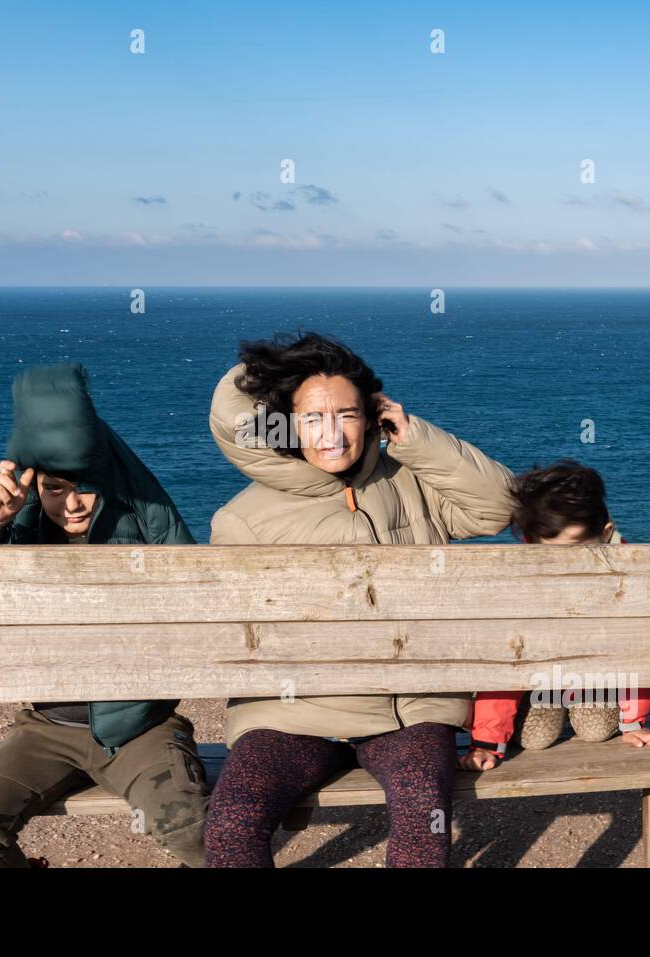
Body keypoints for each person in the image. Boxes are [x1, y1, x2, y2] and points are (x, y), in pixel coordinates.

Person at [202, 332, 516, 867]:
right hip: (290, 713)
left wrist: (413, 437)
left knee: (422, 802)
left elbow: (498, 506)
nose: (332, 434)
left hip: (407, 709)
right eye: (313, 418)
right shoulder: (242, 518)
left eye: (347, 415)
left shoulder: (409, 482)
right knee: (231, 821)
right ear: (281, 423)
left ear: (370, 417)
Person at [0, 363, 209, 867]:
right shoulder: (18, 537)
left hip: (139, 728)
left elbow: (197, 601)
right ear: (36, 488)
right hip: (45, 729)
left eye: (85, 487)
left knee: (193, 830)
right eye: (55, 489)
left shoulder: (143, 528)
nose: (73, 503)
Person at [460, 461, 650, 771]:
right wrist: (488, 740)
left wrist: (632, 722)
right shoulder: (523, 586)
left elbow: (637, 651)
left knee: (595, 728)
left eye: (573, 549)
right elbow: (508, 662)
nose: (563, 563)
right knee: (536, 737)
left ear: (606, 533)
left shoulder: (629, 579)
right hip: (536, 684)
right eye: (550, 551)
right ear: (531, 543)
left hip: (594, 680)